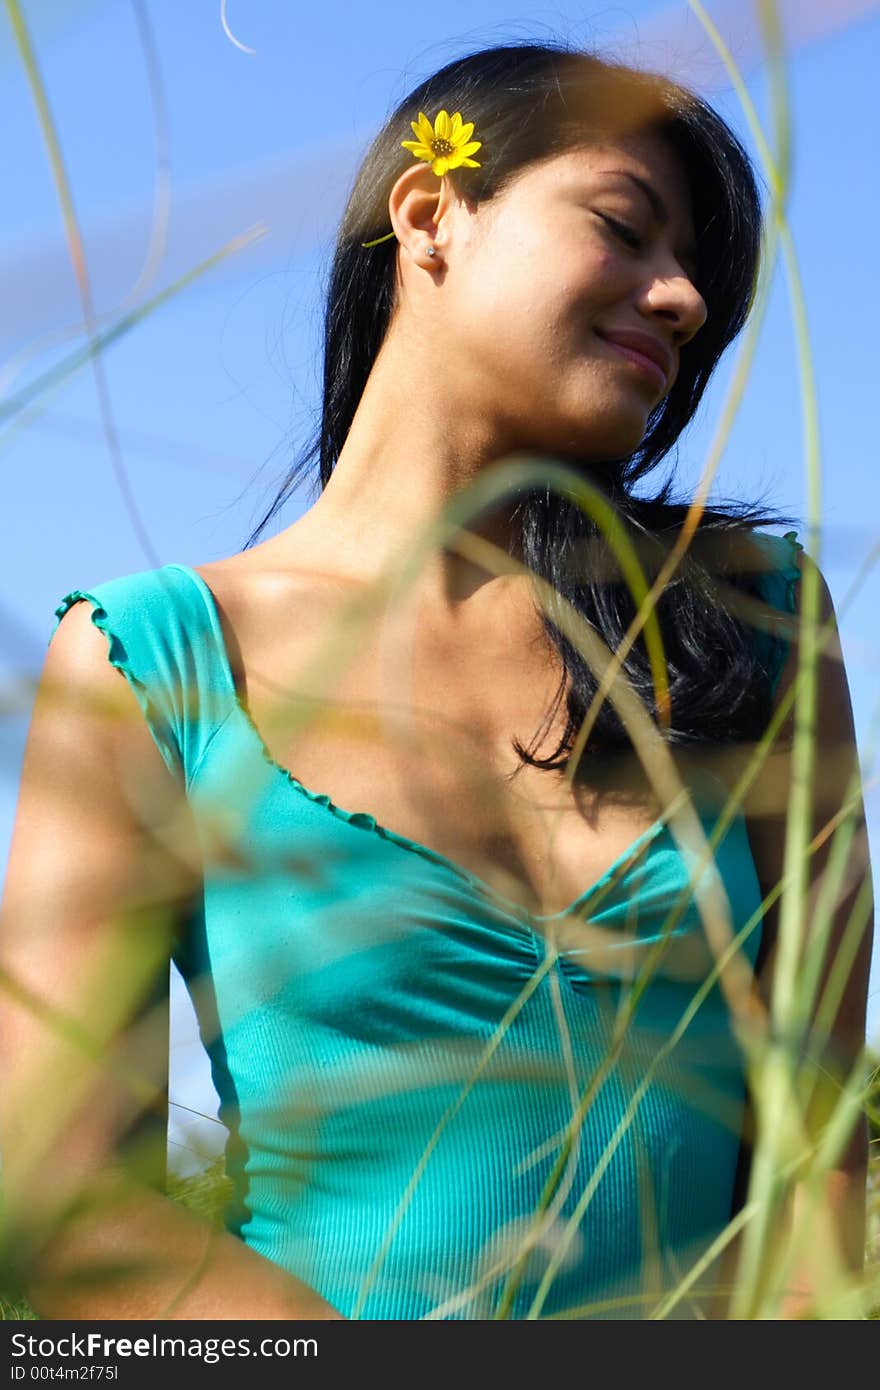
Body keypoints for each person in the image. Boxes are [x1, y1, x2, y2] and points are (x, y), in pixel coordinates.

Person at [1, 41, 873, 1322]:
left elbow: (820, 1155)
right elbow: (57, 1194)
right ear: (430, 213)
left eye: (698, 277)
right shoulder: (155, 665)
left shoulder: (753, 621)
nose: (682, 298)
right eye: (625, 229)